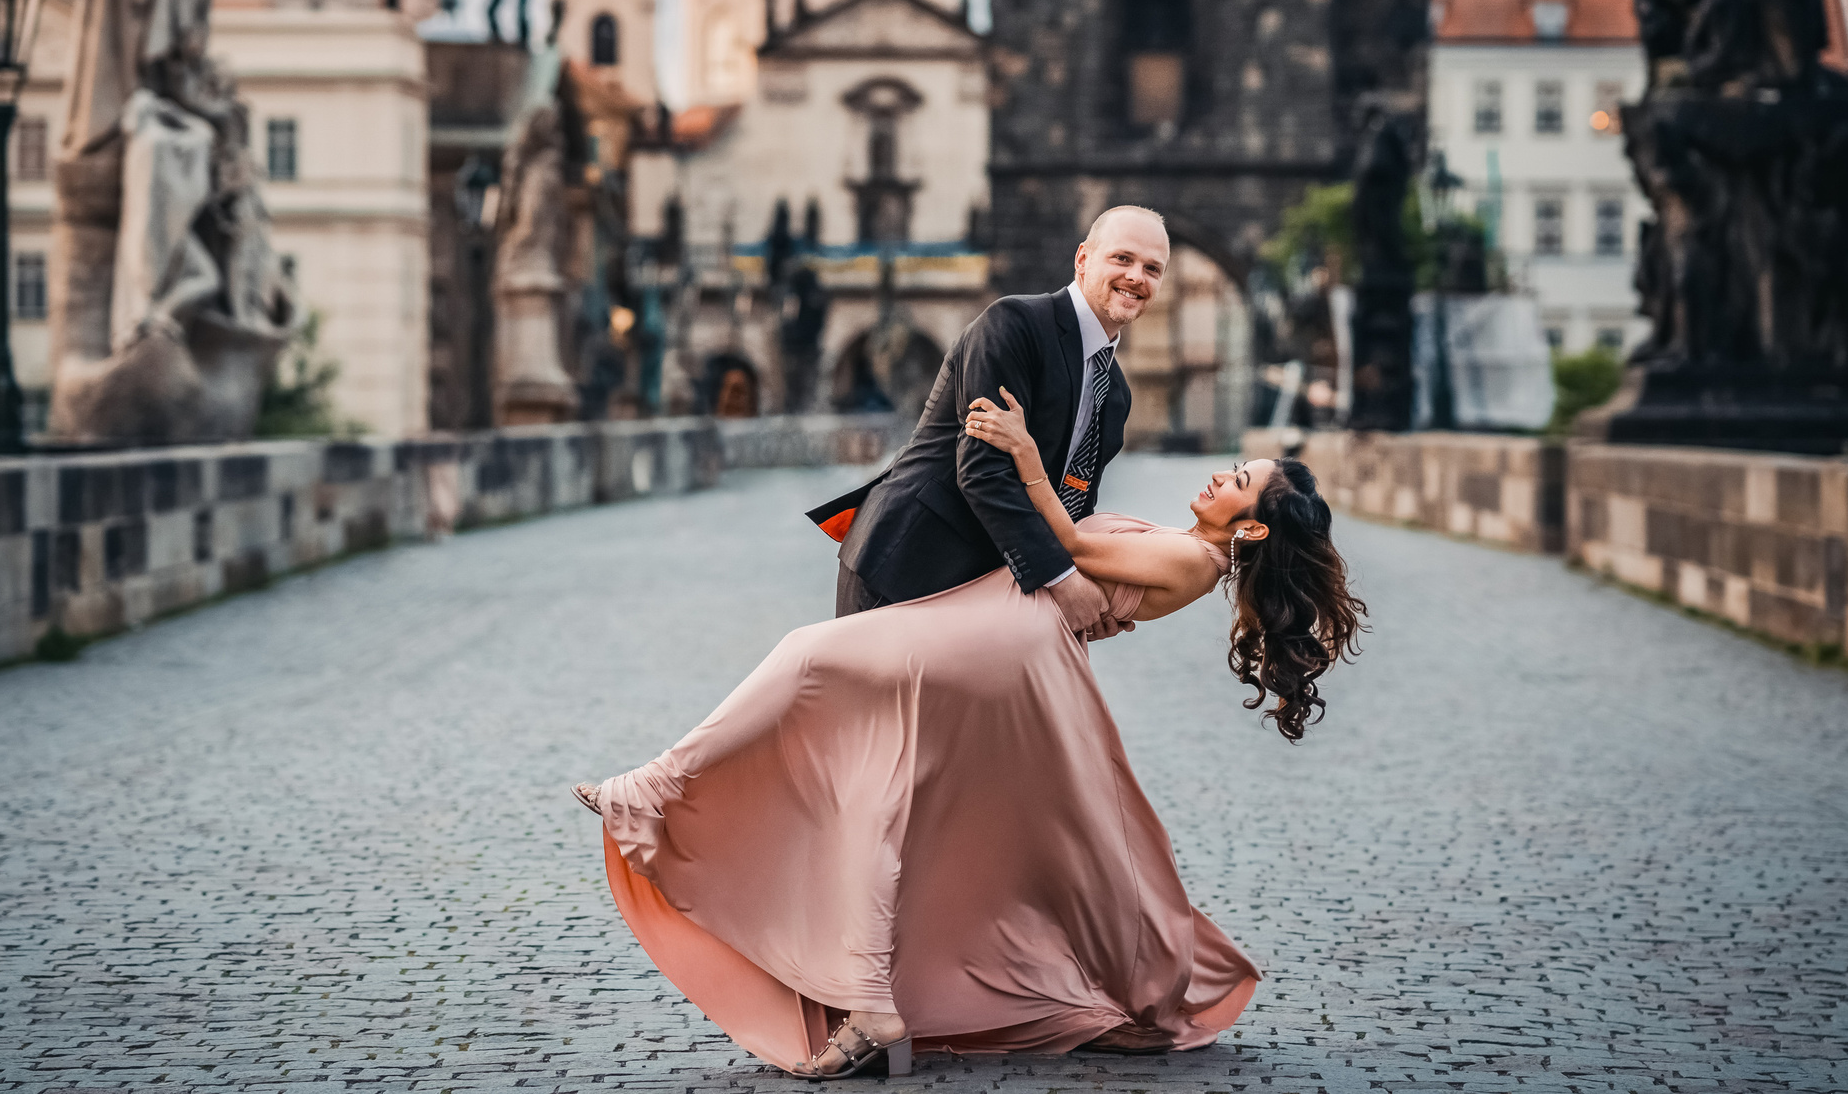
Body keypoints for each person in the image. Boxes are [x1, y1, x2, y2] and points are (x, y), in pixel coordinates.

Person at [575, 408, 1366, 1078]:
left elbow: (1061, 541)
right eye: (1232, 466)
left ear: (1253, 524)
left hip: (1001, 641)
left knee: (807, 657)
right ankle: (867, 990)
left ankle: (661, 785)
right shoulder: (1186, 543)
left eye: (1238, 482)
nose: (1221, 478)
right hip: (999, 630)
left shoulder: (1189, 556)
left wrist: (1022, 451)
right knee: (874, 775)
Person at [808, 206, 1171, 638]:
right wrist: (1062, 581)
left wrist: (1096, 590)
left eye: (1152, 268)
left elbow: (1072, 504)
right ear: (1082, 260)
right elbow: (982, 471)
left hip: (990, 587)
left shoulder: (1115, 393)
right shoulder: (1014, 324)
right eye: (1123, 258)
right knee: (877, 707)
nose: (1136, 277)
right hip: (909, 563)